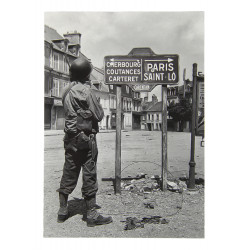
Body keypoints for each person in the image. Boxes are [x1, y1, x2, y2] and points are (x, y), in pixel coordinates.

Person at [56, 57, 113, 227]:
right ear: (86, 74)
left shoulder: (65, 90)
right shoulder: (86, 91)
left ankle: (62, 211)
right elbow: (99, 115)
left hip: (70, 139)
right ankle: (92, 215)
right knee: (89, 175)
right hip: (86, 139)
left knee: (69, 172)